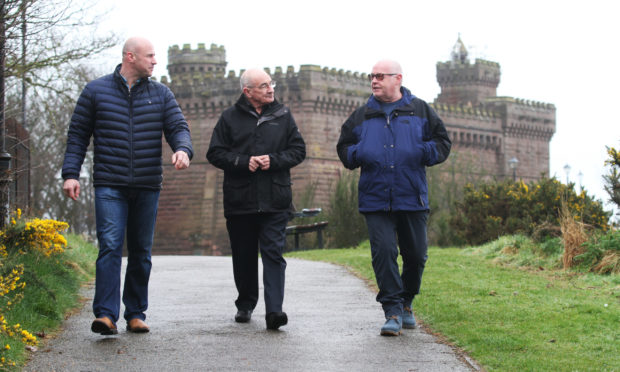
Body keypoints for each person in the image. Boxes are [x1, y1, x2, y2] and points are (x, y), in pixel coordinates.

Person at [61, 37, 193, 335]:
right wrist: (71, 173)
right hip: (110, 183)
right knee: (109, 246)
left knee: (141, 251)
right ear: (130, 57)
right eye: (150, 56)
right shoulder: (96, 91)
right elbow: (78, 136)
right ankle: (106, 315)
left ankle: (135, 312)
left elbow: (178, 127)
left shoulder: (160, 94)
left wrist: (183, 149)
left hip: (147, 184)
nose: (155, 61)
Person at [336, 60, 451, 336]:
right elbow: (344, 146)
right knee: (384, 253)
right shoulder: (362, 115)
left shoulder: (421, 110)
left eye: (379, 76)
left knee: (416, 255)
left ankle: (407, 301)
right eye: (371, 76)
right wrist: (358, 153)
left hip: (411, 195)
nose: (374, 81)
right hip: (375, 198)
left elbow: (443, 143)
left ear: (397, 78)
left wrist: (422, 152)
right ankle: (392, 311)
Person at [207, 68, 305, 330]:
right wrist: (243, 162)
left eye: (270, 83)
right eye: (263, 86)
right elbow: (215, 153)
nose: (270, 89)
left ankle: (274, 311)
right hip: (241, 201)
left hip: (275, 199)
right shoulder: (229, 118)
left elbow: (298, 151)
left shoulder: (283, 116)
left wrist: (272, 160)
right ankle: (246, 303)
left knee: (273, 254)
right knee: (244, 255)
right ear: (247, 91)